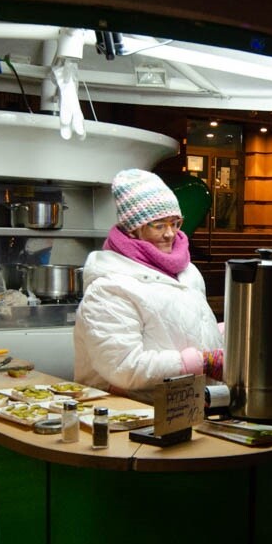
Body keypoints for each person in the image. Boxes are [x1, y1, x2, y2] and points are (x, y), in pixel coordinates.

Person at [74, 168, 223, 394]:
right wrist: (201, 362)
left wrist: (220, 335)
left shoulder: (187, 272)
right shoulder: (110, 288)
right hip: (134, 416)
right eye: (159, 225)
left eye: (175, 223)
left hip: (190, 407)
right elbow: (124, 367)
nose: (171, 234)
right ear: (134, 229)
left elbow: (178, 329)